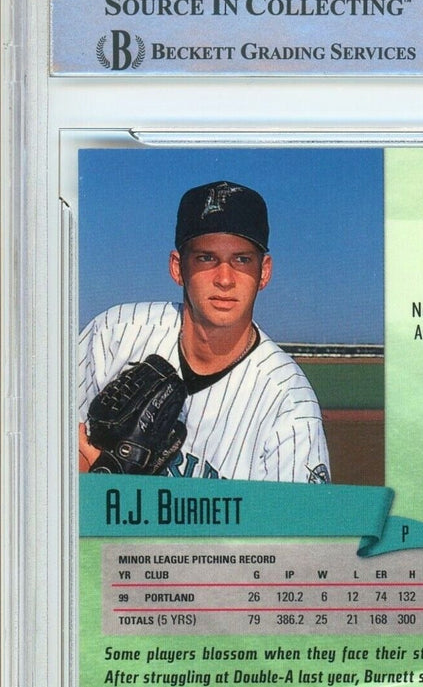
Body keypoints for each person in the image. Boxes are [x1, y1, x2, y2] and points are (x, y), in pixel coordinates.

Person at [78, 180, 331, 482]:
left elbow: (298, 514)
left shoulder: (289, 403)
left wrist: (125, 490)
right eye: (206, 258)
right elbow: (46, 443)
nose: (224, 279)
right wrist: (97, 476)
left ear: (264, 272)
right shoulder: (114, 335)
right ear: (177, 268)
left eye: (242, 260)